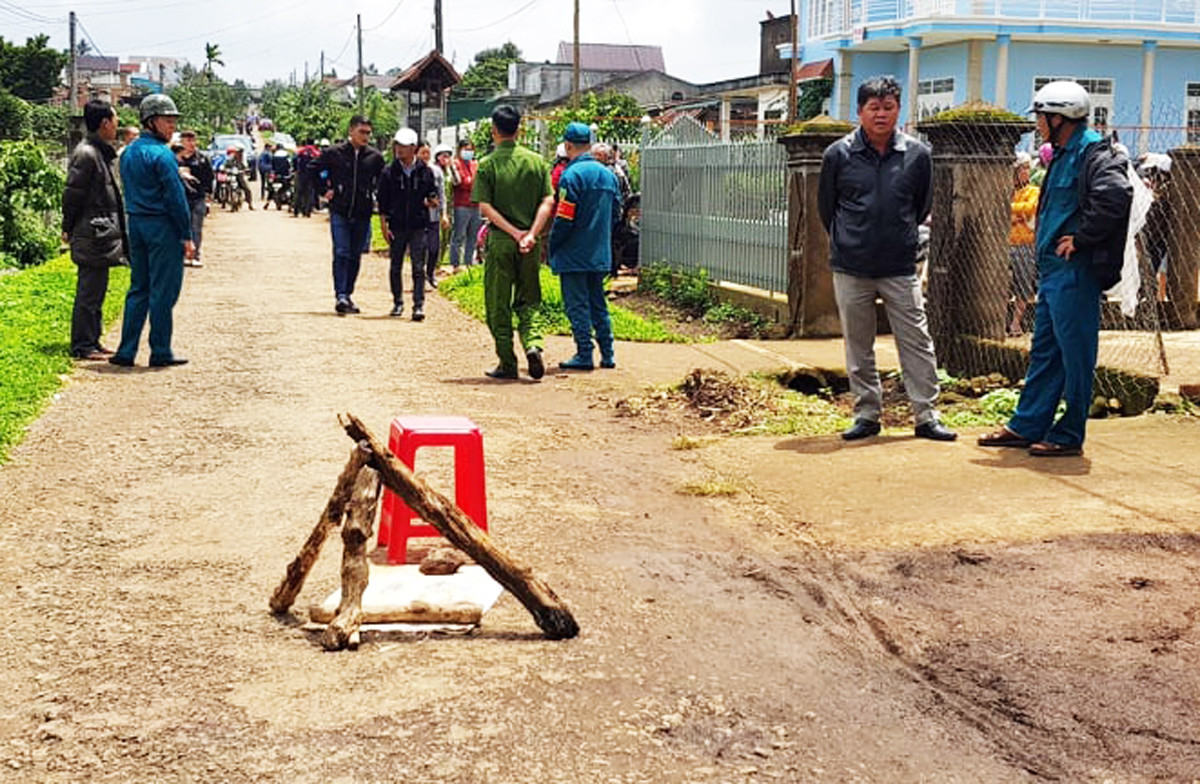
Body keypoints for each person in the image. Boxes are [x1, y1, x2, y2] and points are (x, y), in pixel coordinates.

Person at [978, 80, 1132, 457]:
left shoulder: (1092, 153)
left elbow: (1115, 196)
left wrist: (1082, 238)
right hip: (1052, 272)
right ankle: (1027, 424)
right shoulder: (1063, 153)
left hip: (1074, 272)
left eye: (1042, 118)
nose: (1038, 125)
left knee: (1075, 353)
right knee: (1046, 350)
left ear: (1059, 118)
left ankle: (1069, 433)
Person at [817, 75, 956, 442]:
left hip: (899, 265)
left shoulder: (917, 155)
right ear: (860, 111)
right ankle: (866, 414)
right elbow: (826, 210)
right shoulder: (838, 155)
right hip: (851, 266)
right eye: (874, 108)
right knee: (858, 343)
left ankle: (926, 415)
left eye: (888, 107)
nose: (881, 115)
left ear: (899, 110)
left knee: (916, 340)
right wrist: (850, 240)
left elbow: (921, 204)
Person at [108, 93, 195, 368]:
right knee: (163, 291)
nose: (172, 127)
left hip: (137, 224)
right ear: (151, 122)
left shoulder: (128, 153)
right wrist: (187, 234)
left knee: (139, 288)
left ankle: (126, 350)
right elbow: (175, 198)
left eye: (173, 121)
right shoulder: (163, 156)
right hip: (162, 227)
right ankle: (160, 350)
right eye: (167, 121)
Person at [471, 105, 555, 380]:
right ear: (519, 130)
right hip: (530, 245)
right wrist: (530, 233)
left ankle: (507, 362)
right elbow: (548, 201)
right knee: (529, 300)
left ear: (494, 130)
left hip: (501, 241)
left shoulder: (487, 165)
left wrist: (513, 232)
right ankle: (532, 344)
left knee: (498, 304)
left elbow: (485, 207)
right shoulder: (537, 162)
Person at [549, 122, 622, 371]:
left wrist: (553, 244)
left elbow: (564, 218)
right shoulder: (608, 175)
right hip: (599, 251)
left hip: (573, 253)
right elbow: (616, 214)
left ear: (568, 145)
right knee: (598, 303)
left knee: (577, 305)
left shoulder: (571, 176)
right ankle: (608, 353)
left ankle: (584, 353)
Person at [62, 99, 127, 360]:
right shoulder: (87, 154)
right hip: (91, 232)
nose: (117, 125)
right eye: (115, 120)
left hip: (99, 232)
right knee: (89, 292)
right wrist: (67, 227)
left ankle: (93, 339)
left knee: (97, 290)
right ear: (104, 123)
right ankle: (83, 345)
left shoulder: (100, 152)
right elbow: (72, 195)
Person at [309, 116, 384, 314]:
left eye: (368, 132)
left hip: (363, 212)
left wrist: (378, 199)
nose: (365, 136)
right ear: (351, 131)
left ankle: (348, 294)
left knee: (355, 255)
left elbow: (384, 181)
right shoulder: (334, 153)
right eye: (362, 132)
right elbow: (312, 169)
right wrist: (323, 190)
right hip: (340, 210)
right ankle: (340, 295)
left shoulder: (375, 157)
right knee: (341, 251)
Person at [378, 128, 439, 321]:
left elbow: (432, 194)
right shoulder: (389, 173)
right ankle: (397, 302)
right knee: (395, 265)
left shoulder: (425, 172)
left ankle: (418, 305)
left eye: (404, 146)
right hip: (396, 225)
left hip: (418, 224)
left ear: (413, 148)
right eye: (397, 145)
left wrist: (432, 201)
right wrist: (384, 226)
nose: (399, 150)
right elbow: (382, 201)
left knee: (418, 266)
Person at [1008, 151, 1040, 336]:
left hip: (1025, 242)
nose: (1027, 172)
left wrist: (1011, 211)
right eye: (1024, 168)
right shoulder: (1007, 190)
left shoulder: (1033, 191)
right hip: (1006, 242)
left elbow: (1030, 208)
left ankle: (1015, 323)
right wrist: (1016, 214)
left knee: (1023, 283)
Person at [177, 130, 213, 267]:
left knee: (196, 227)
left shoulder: (202, 159)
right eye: (187, 141)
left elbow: (209, 179)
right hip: (180, 198)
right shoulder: (175, 158)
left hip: (198, 197)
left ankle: (195, 255)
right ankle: (181, 255)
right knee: (180, 227)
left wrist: (208, 198)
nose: (191, 144)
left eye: (193, 141)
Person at [417, 141, 449, 288]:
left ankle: (430, 272)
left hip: (434, 217)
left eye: (427, 153)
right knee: (420, 248)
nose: (425, 156)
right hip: (417, 217)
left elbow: (442, 194)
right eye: (422, 152)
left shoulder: (436, 171)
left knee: (434, 248)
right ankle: (418, 276)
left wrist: (444, 214)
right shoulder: (412, 170)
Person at [449, 139, 482, 271]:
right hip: (461, 204)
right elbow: (461, 182)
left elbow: (477, 183)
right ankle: (455, 263)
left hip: (475, 204)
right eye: (466, 149)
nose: (469, 152)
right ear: (460, 150)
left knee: (473, 236)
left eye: (470, 149)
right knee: (459, 235)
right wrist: (470, 182)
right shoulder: (456, 164)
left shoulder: (475, 164)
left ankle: (468, 263)